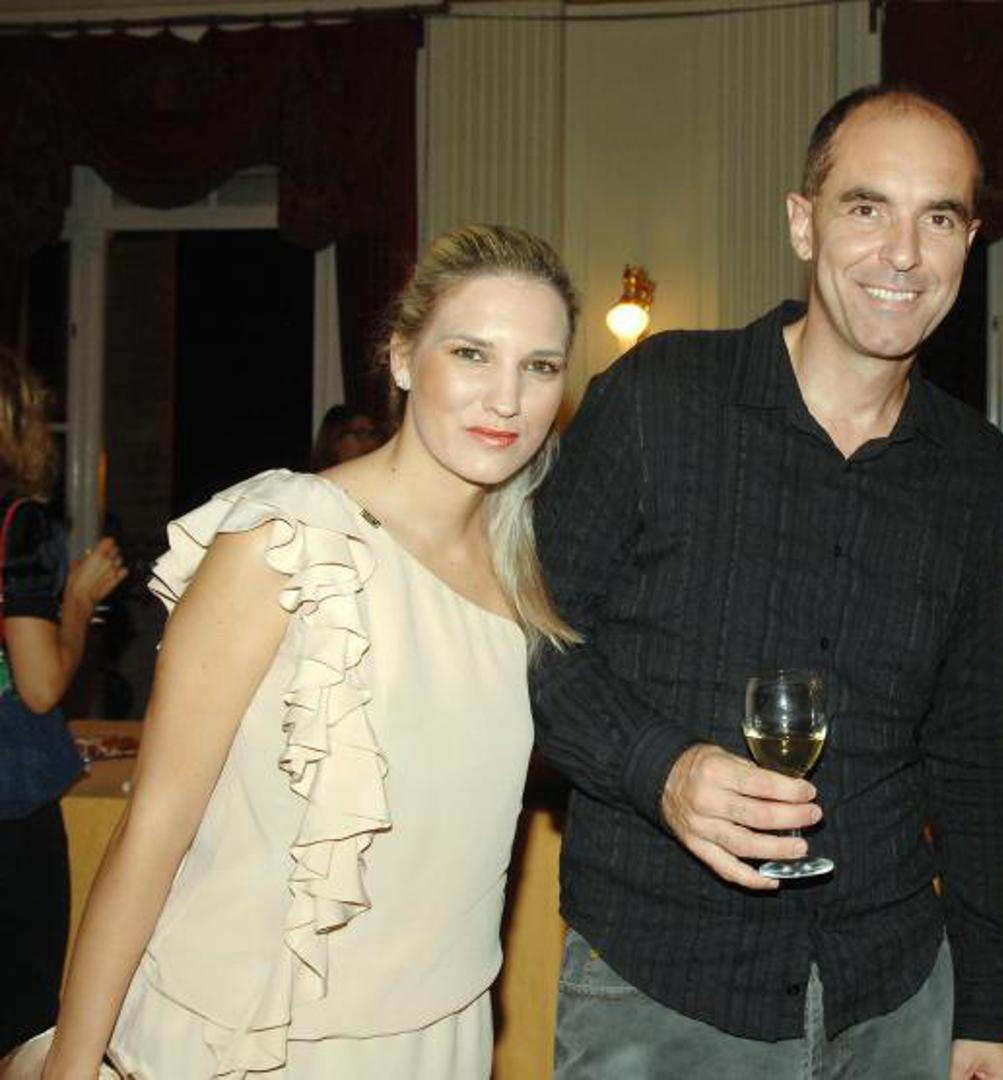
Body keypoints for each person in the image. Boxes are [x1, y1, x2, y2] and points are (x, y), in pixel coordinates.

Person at [533, 86, 1003, 1079]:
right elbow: (530, 636)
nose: (903, 253)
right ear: (803, 223)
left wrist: (986, 1004)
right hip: (660, 987)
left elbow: (975, 747)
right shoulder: (659, 398)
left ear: (969, 244)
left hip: (892, 994)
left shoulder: (977, 472)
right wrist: (662, 770)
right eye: (866, 207)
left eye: (938, 219)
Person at [30, 224, 578, 1078]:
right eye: (472, 353)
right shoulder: (290, 541)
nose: (506, 399)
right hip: (252, 1037)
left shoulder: (529, 580)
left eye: (539, 366)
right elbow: (156, 826)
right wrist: (73, 1062)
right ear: (402, 358)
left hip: (438, 1038)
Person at [0, 347, 125, 1056]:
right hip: (9, 813)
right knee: (20, 1023)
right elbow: (41, 684)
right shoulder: (18, 526)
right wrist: (76, 601)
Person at [309, 404, 383, 471]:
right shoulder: (318, 480)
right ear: (335, 440)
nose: (372, 441)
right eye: (361, 433)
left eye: (373, 433)